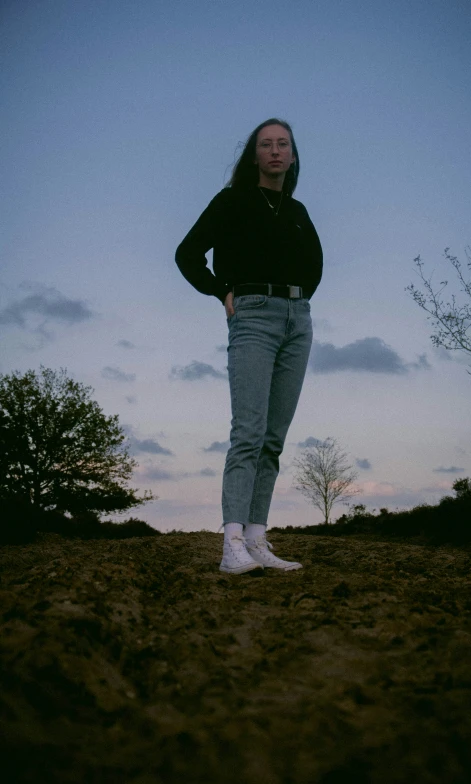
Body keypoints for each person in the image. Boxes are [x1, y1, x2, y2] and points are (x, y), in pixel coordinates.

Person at [175, 117, 323, 574]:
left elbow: (315, 267)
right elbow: (187, 254)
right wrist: (223, 291)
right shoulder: (232, 201)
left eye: (283, 144)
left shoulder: (297, 212)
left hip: (297, 320)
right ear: (254, 155)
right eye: (266, 145)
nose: (275, 151)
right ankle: (231, 544)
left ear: (293, 156)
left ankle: (258, 538)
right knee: (249, 431)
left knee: (273, 439)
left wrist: (298, 302)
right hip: (253, 316)